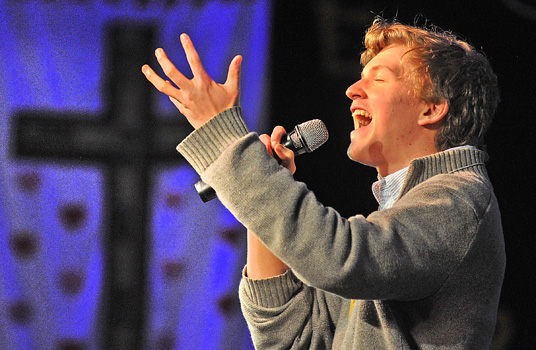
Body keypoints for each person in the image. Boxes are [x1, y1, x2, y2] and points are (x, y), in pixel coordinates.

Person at [142, 17, 505, 349]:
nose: (352, 89)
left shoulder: (460, 200)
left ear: (432, 108)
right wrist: (266, 194)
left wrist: (225, 137)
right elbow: (291, 337)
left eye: (378, 78)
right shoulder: (396, 227)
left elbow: (340, 259)